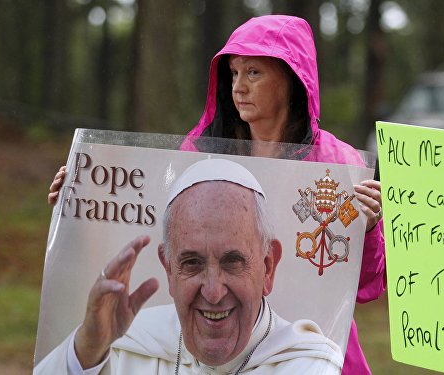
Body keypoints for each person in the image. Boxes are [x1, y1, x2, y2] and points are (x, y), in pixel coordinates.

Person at [48, 15, 385, 374]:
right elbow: (158, 225)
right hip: (218, 338)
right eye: (234, 73)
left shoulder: (340, 166)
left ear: (292, 78)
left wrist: (368, 230)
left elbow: (365, 286)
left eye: (254, 73)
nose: (239, 86)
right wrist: (80, 199)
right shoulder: (199, 153)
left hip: (309, 352)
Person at [36, 158, 345, 374]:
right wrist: (87, 350)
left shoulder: (307, 364)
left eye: (232, 262)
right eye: (192, 263)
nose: (212, 292)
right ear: (169, 269)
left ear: (268, 266)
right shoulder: (124, 346)